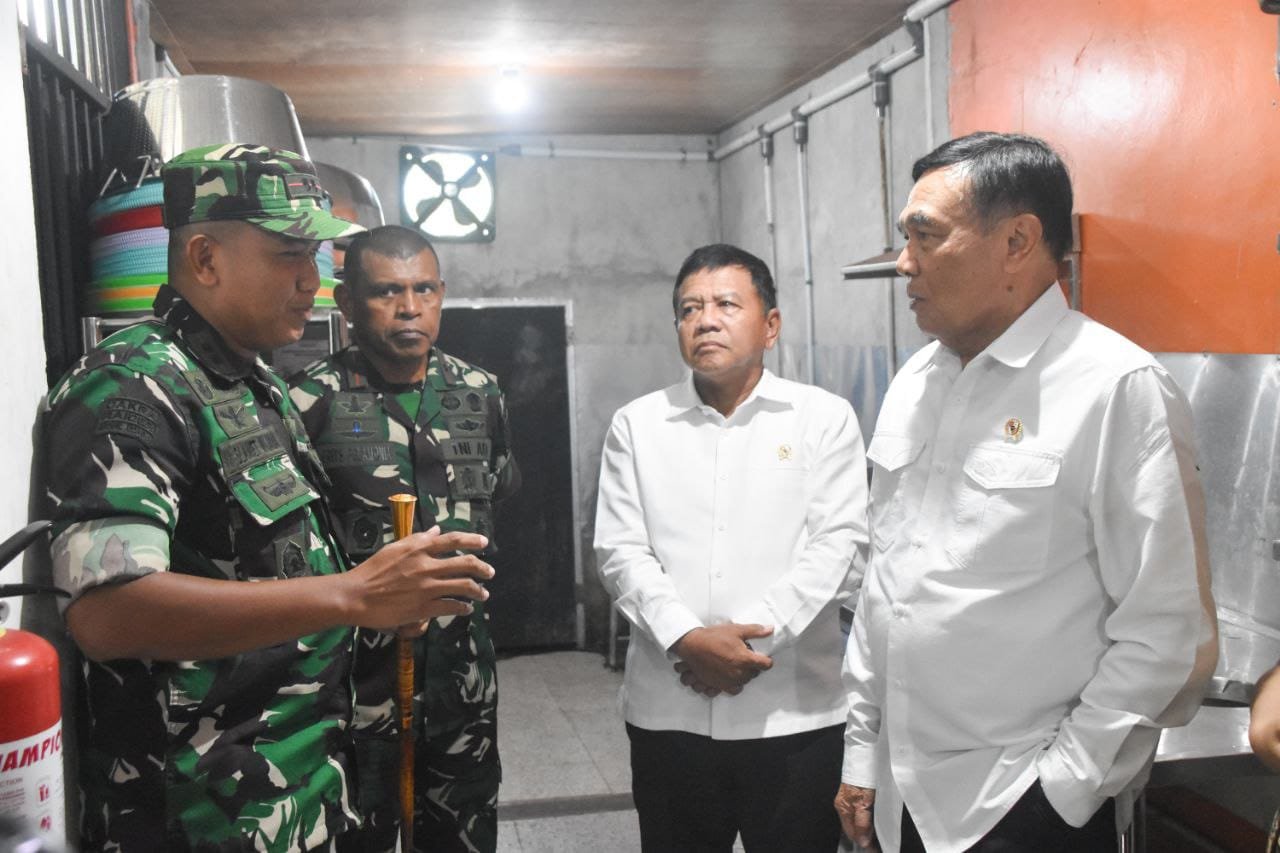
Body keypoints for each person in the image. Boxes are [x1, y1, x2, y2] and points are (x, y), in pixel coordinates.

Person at [43, 144, 494, 852]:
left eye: (314, 255)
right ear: (205, 259)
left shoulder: (253, 387)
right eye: (289, 254)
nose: (312, 279)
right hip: (207, 815)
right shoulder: (134, 385)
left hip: (302, 793)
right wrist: (353, 596)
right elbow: (106, 612)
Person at [834, 132, 1219, 853]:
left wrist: (1063, 790)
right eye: (905, 238)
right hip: (901, 795)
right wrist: (862, 749)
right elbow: (888, 582)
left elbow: (1169, 631)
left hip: (1017, 805)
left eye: (925, 236)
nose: (904, 262)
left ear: (1017, 241)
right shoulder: (916, 382)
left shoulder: (1114, 387)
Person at [594, 243, 869, 851]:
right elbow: (620, 551)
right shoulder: (638, 425)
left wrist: (745, 648)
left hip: (795, 715)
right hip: (670, 715)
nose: (705, 321)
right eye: (689, 309)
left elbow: (840, 547)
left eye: (725, 304)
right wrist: (687, 640)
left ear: (770, 325)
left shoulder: (822, 418)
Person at [289, 225, 519, 853]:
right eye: (387, 292)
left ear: (441, 294)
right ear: (347, 302)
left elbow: (496, 491)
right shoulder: (307, 402)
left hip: (460, 678)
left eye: (424, 290)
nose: (409, 307)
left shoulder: (479, 393)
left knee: (463, 831)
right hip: (353, 686)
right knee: (358, 833)